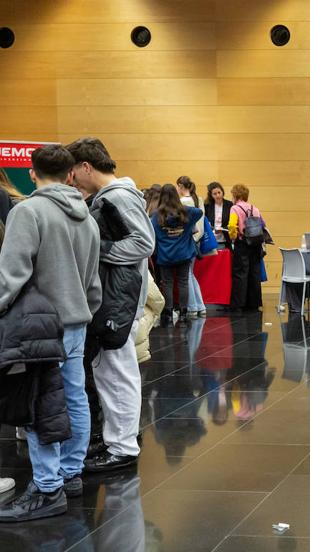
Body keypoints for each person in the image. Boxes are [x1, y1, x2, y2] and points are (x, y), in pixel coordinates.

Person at [0, 145, 101, 521]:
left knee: (40, 403)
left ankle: (46, 487)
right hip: (76, 321)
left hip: (39, 325)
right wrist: (83, 312)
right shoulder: (87, 218)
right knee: (74, 396)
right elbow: (93, 282)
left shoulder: (27, 211)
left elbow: (11, 276)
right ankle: (70, 473)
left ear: (31, 170)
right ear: (71, 174)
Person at [67, 137, 155, 474]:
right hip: (119, 297)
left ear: (86, 166)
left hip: (120, 299)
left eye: (74, 171)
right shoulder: (115, 196)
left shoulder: (117, 198)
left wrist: (97, 249)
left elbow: (142, 243)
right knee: (113, 369)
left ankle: (122, 447)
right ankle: (118, 437)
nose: (71, 178)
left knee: (117, 371)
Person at [152, 184, 203, 326]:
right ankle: (183, 313)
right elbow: (199, 212)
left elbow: (151, 230)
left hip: (165, 255)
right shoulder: (185, 213)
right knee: (183, 282)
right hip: (183, 254)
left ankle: (168, 313)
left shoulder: (157, 215)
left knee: (167, 283)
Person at [229, 184, 264, 312]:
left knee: (240, 274)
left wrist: (233, 237)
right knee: (254, 273)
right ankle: (254, 303)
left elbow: (232, 226)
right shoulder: (255, 208)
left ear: (235, 195)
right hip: (255, 243)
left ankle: (239, 304)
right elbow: (262, 224)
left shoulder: (235, 208)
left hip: (242, 243)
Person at [176, 176, 206, 319]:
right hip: (197, 240)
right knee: (190, 274)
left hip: (187, 240)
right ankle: (200, 306)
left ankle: (193, 307)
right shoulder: (198, 200)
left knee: (186, 275)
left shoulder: (182, 202)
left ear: (180, 186)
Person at [204, 181, 236, 250]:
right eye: (214, 194)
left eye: (219, 192)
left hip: (225, 240)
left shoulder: (230, 205)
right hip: (211, 239)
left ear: (222, 192)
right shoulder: (207, 206)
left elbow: (233, 223)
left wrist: (222, 229)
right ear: (211, 195)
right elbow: (205, 222)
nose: (218, 195)